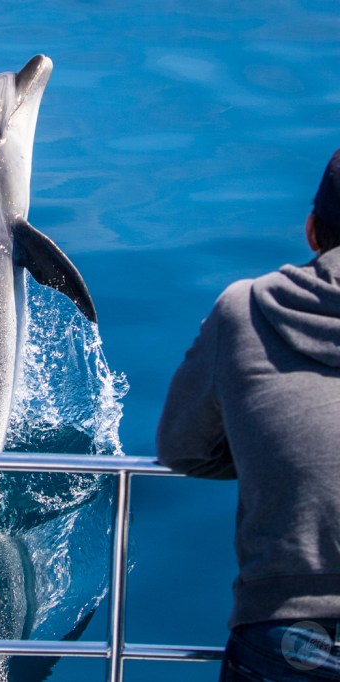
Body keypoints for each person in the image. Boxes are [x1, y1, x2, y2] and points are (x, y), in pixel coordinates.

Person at [157, 149, 340, 681]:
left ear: (311, 230)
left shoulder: (244, 310)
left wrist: (271, 452)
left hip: (286, 633)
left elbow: (180, 449)